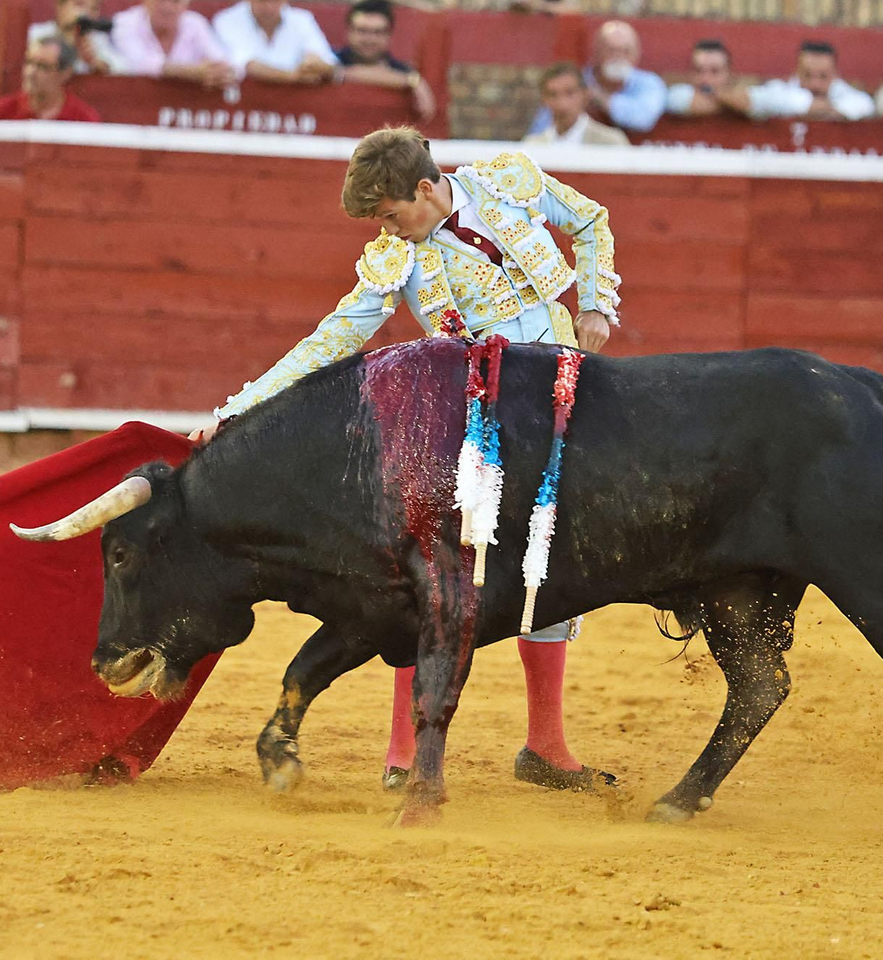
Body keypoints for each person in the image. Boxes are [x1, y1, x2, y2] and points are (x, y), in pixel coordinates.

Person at [196, 127, 621, 794]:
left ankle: (546, 742)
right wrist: (240, 407)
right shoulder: (398, 258)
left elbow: (591, 220)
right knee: (433, 578)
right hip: (475, 423)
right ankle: (401, 754)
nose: (387, 230)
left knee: (548, 565)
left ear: (425, 188)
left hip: (562, 404)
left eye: (391, 214)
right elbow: (333, 336)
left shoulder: (509, 179)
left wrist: (594, 301)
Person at [528, 20, 667, 136]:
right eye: (611, 50)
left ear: (636, 54)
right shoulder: (574, 81)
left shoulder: (649, 83)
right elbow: (541, 130)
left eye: (626, 51)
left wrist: (597, 96)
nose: (618, 57)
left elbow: (642, 119)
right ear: (596, 52)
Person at [212, 0, 340, 86]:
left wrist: (315, 65)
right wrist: (292, 77)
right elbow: (245, 65)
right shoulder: (226, 21)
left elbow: (329, 65)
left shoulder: (302, 20)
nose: (269, 7)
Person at [110, 0, 234, 87]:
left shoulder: (195, 23)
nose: (167, 7)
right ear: (146, 0)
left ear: (185, 6)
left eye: (176, 0)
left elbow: (224, 61)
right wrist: (191, 72)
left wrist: (220, 73)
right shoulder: (125, 22)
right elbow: (137, 63)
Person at [335, 0, 438, 121]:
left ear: (389, 36)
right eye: (362, 31)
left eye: (378, 32)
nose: (369, 39)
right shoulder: (330, 60)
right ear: (348, 32)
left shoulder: (403, 71)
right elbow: (332, 71)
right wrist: (413, 81)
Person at [746, 40, 875, 121]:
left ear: (835, 74)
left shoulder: (846, 93)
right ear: (797, 72)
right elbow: (756, 99)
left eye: (823, 76)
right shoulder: (779, 89)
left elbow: (865, 104)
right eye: (807, 75)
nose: (815, 84)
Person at [29, 0, 126, 76]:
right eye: (79, 5)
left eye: (94, 8)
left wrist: (96, 63)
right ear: (60, 5)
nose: (86, 13)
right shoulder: (37, 34)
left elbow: (125, 70)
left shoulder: (97, 40)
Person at [0, 39, 102, 122]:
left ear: (65, 73)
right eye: (29, 63)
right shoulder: (4, 110)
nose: (30, 72)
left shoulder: (83, 118)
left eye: (43, 66)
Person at [524, 63, 634, 145]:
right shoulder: (533, 145)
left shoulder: (611, 142)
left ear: (585, 95)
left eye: (569, 93)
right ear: (544, 99)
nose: (562, 103)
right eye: (553, 95)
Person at [665, 39, 739, 118]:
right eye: (698, 70)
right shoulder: (677, 94)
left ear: (729, 74)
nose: (705, 79)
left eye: (715, 71)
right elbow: (678, 100)